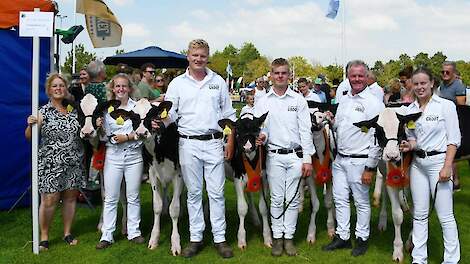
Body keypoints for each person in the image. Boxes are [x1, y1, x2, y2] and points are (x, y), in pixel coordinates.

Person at [165, 39, 236, 259]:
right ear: (188, 56)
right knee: (194, 193)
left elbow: (228, 114)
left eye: (202, 56)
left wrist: (230, 140)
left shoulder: (218, 82)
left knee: (216, 193)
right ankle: (196, 238)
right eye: (195, 55)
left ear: (207, 57)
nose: (198, 59)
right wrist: (161, 120)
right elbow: (170, 114)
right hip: (188, 143)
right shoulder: (177, 83)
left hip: (214, 142)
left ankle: (220, 238)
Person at [322, 60, 384, 257]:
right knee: (340, 199)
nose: (356, 79)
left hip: (360, 160)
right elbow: (341, 129)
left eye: (360, 75)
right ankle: (342, 236)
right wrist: (332, 123)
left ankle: (362, 238)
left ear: (366, 77)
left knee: (361, 202)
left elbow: (377, 137)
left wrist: (370, 167)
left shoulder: (374, 103)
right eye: (353, 75)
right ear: (348, 77)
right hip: (340, 159)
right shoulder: (345, 100)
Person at [399, 67, 461, 264]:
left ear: (432, 83)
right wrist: (408, 145)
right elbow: (415, 140)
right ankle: (419, 258)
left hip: (439, 164)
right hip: (418, 164)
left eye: (423, 83)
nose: (420, 87)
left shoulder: (445, 106)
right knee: (420, 214)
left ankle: (451, 260)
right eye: (416, 84)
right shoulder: (409, 110)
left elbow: (453, 139)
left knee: (445, 215)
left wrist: (447, 166)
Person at [254, 58, 314, 257]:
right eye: (276, 72)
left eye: (284, 73)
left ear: (290, 75)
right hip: (274, 156)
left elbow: (305, 131)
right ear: (270, 75)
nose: (280, 76)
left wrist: (307, 158)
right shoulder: (263, 101)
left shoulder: (298, 100)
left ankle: (289, 238)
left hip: (295, 156)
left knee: (293, 199)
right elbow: (260, 128)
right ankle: (277, 237)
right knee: (277, 198)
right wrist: (261, 136)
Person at [25, 73, 85, 251]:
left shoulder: (74, 110)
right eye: (55, 86)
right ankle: (44, 236)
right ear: (49, 90)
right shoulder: (43, 112)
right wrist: (30, 125)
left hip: (73, 161)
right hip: (50, 164)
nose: (59, 89)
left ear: (66, 88)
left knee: (70, 198)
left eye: (61, 86)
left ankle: (67, 233)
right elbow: (29, 137)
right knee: (49, 200)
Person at [95, 74, 149, 249]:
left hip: (134, 156)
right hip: (113, 156)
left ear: (129, 88)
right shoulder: (106, 110)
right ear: (112, 88)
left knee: (133, 196)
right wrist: (99, 127)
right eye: (117, 86)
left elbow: (143, 133)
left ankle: (134, 232)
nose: (120, 89)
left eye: (124, 86)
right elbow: (103, 137)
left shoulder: (137, 108)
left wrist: (126, 136)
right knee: (111, 197)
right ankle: (107, 234)